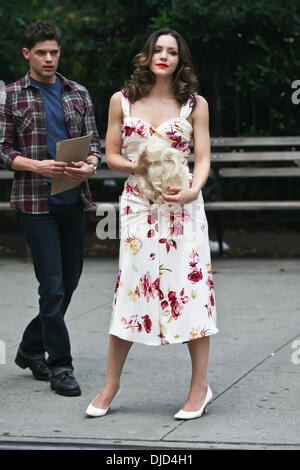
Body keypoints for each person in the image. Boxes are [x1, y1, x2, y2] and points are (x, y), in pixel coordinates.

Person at [86, 28, 218, 419]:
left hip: (183, 208)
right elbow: (111, 154)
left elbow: (204, 155)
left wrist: (194, 189)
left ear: (181, 60)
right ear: (147, 55)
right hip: (139, 205)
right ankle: (111, 385)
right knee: (130, 288)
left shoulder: (195, 104)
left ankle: (199, 389)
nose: (164, 56)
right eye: (157, 49)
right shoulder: (121, 101)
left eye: (172, 51)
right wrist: (135, 165)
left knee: (191, 292)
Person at [0, 20, 102, 396]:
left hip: (72, 198)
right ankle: (60, 365)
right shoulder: (11, 95)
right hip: (34, 202)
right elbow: (2, 149)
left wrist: (90, 165)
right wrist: (34, 165)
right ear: (27, 54)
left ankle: (29, 348)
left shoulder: (78, 92)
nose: (48, 58)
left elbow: (95, 146)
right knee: (53, 286)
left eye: (53, 52)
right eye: (41, 52)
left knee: (69, 283)